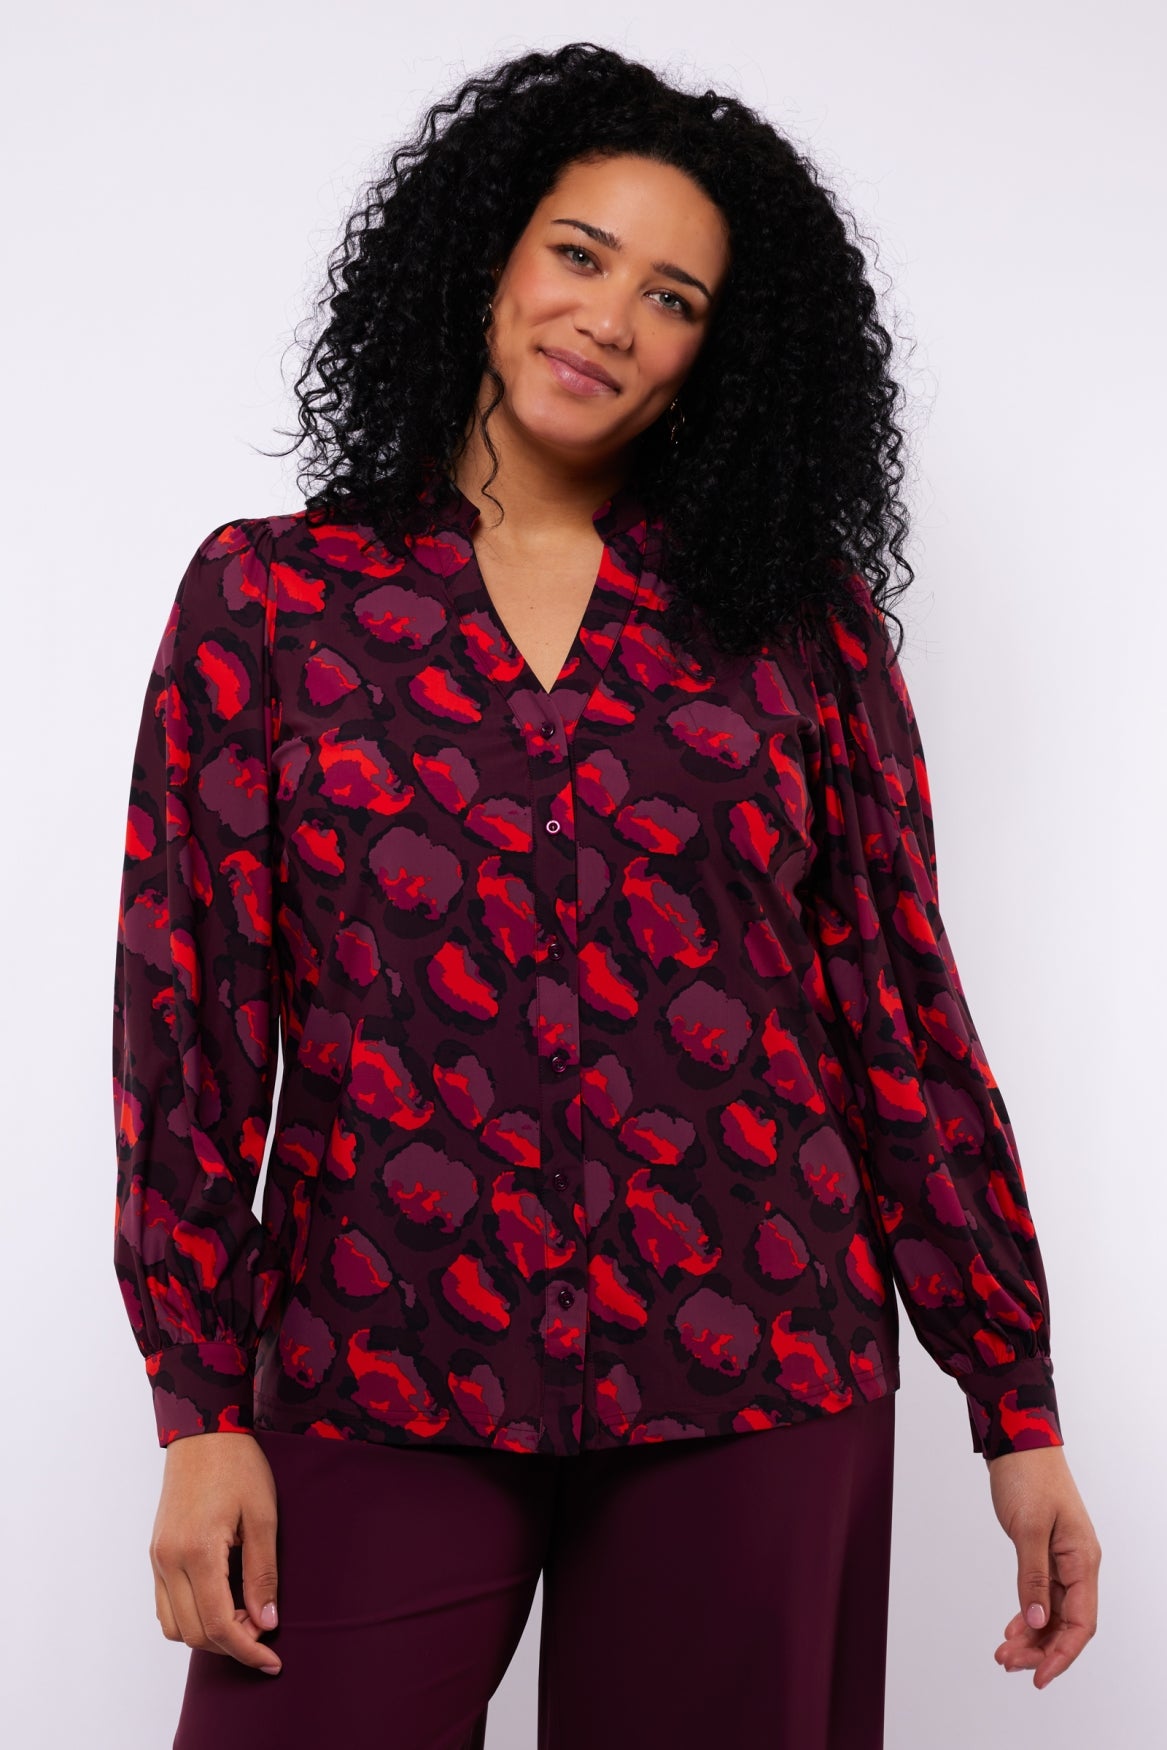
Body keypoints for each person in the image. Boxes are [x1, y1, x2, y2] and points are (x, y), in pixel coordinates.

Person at [110, 41, 1101, 1750]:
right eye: (580, 253)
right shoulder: (272, 600)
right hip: (379, 1352)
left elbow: (900, 1014)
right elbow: (186, 1019)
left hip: (758, 1362)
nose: (610, 319)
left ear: (722, 352)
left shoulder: (799, 629)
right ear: (490, 252)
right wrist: (198, 1405)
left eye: (673, 297)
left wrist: (1016, 1400)